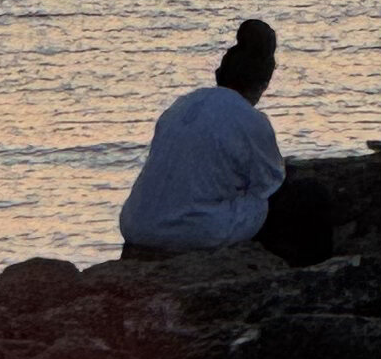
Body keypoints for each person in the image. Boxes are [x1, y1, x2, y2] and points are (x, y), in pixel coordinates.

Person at [118, 17, 333, 262]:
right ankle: (311, 271)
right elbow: (268, 184)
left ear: (219, 74)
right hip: (191, 231)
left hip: (137, 224)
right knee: (310, 196)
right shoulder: (249, 118)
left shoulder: (181, 106)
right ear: (263, 83)